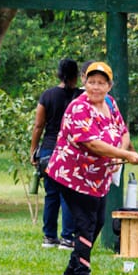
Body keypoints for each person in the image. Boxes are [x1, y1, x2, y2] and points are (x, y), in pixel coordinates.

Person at [46, 62, 138, 275]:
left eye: (101, 83)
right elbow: (92, 144)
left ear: (109, 86)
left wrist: (120, 154)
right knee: (86, 222)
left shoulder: (110, 103)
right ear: (84, 82)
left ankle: (72, 269)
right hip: (73, 175)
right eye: (91, 82)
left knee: (98, 221)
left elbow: (123, 132)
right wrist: (124, 155)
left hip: (98, 177)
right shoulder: (78, 108)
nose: (96, 87)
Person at [30, 58, 81, 249]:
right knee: (68, 195)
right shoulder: (81, 97)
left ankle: (49, 237)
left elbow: (38, 126)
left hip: (49, 150)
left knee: (51, 194)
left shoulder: (48, 95)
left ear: (58, 74)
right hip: (71, 150)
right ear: (77, 75)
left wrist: (33, 150)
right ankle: (67, 237)